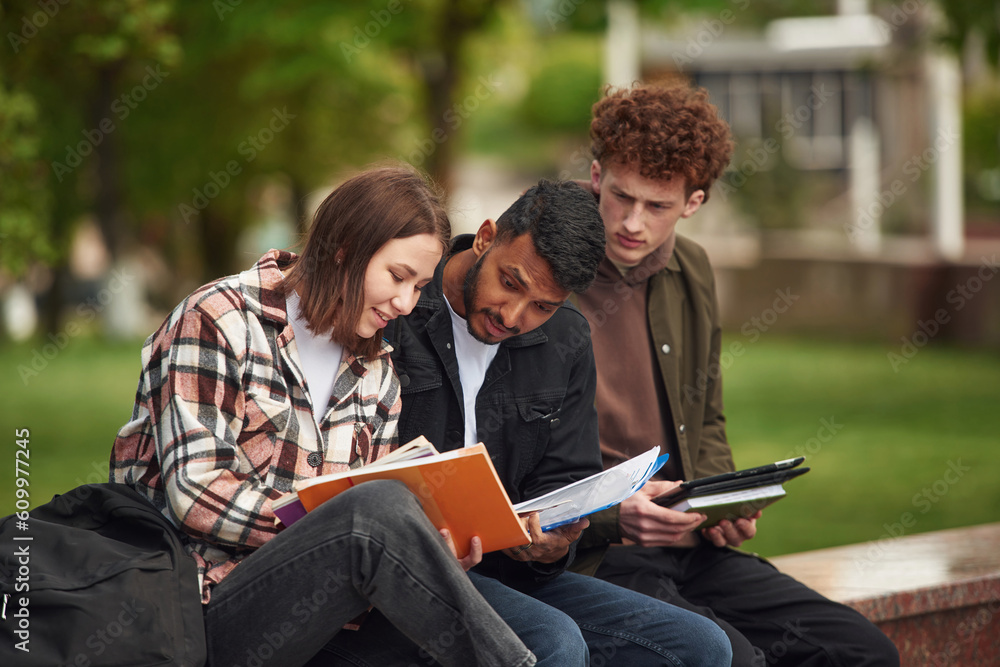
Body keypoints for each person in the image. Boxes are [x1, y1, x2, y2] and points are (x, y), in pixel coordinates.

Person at [110, 165, 536, 667]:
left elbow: (372, 502)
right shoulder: (219, 318)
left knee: (550, 637)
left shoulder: (377, 369)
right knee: (372, 513)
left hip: (329, 608)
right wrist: (333, 524)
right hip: (197, 607)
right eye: (397, 277)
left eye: (420, 286)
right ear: (344, 248)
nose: (404, 303)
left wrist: (429, 548)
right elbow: (195, 494)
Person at [322, 179, 734, 666]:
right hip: (399, 569)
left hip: (504, 570)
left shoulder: (566, 339)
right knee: (552, 642)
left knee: (702, 647)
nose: (513, 316)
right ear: (486, 237)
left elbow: (567, 480)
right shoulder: (398, 304)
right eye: (511, 282)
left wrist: (552, 546)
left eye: (543, 305)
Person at [569, 81, 901, 667]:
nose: (632, 223)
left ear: (693, 204)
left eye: (658, 206)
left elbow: (706, 414)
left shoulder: (692, 268)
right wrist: (609, 516)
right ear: (597, 176)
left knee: (860, 651)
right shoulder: (550, 265)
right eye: (622, 196)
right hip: (597, 553)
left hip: (691, 543)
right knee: (734, 659)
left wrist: (722, 503)